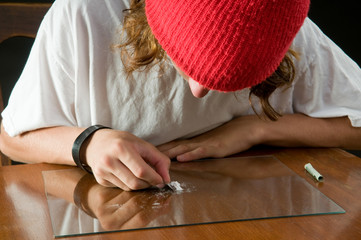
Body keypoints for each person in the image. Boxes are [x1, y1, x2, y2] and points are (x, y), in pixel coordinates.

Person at [0, 0, 361, 191]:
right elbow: (12, 138)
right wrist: (86, 144)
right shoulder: (85, 13)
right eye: (184, 59)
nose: (198, 91)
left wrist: (256, 129)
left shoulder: (286, 28)